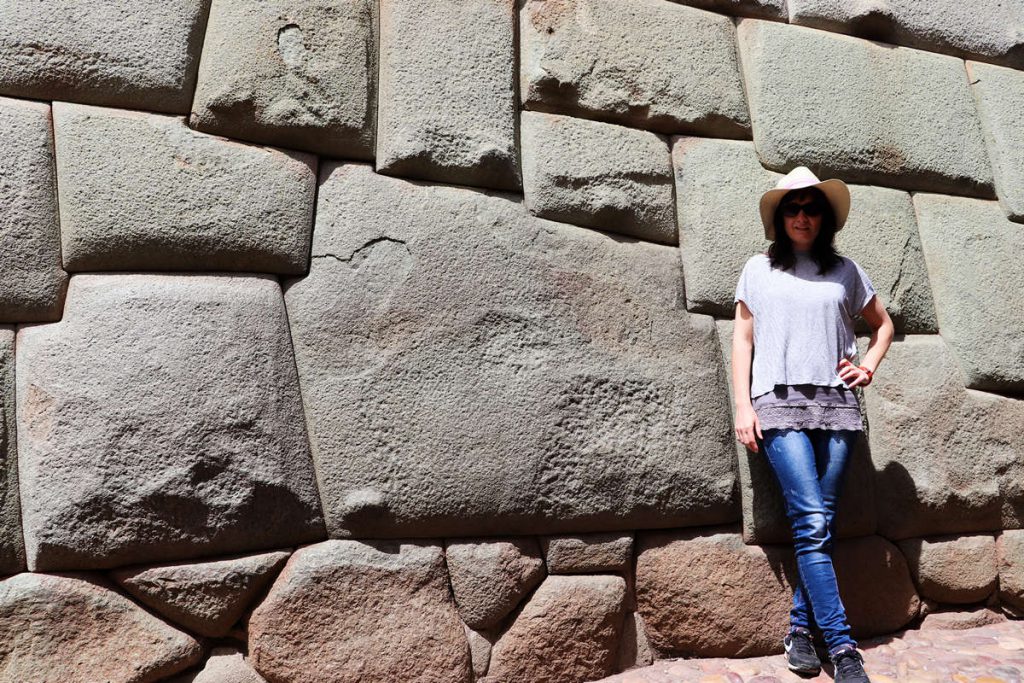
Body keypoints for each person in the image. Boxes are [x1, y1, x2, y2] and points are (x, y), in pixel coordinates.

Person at [731, 167, 894, 683]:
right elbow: (743, 340)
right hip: (777, 403)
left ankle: (801, 631)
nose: (802, 216)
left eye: (811, 208)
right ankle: (843, 649)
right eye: (793, 208)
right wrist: (742, 405)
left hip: (838, 407)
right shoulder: (758, 269)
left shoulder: (846, 271)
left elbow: (884, 325)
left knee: (818, 524)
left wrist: (867, 365)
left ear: (824, 217)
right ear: (781, 218)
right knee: (812, 520)